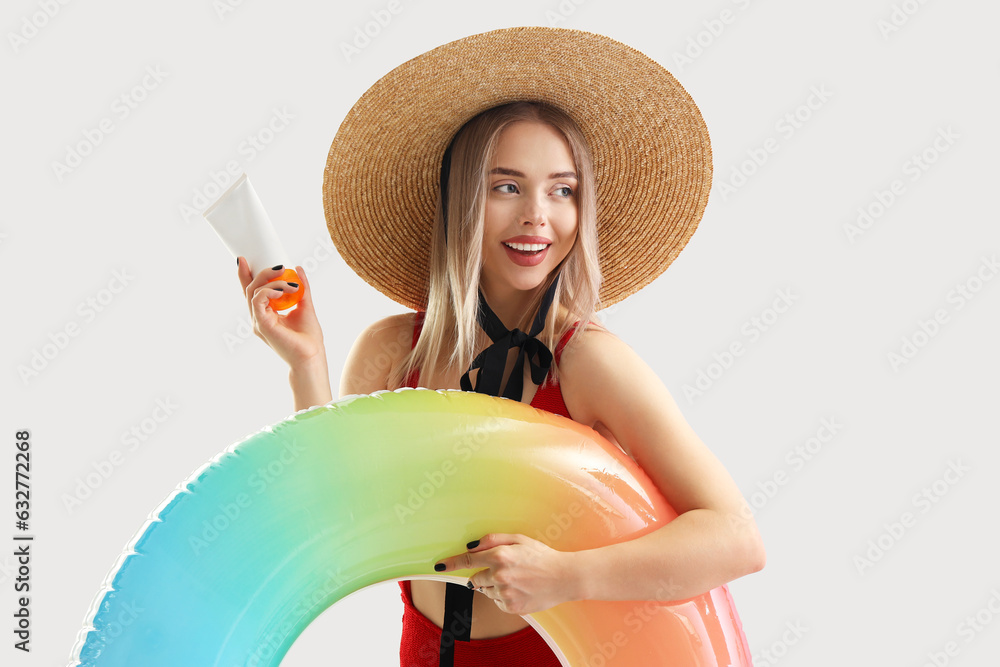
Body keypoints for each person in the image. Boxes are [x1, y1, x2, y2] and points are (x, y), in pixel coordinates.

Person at [236, 26, 764, 667]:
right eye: (506, 186)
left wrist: (566, 576)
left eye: (562, 190)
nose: (538, 215)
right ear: (463, 200)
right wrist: (305, 360)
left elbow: (736, 537)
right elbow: (327, 514)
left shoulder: (586, 361)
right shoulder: (392, 351)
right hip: (422, 651)